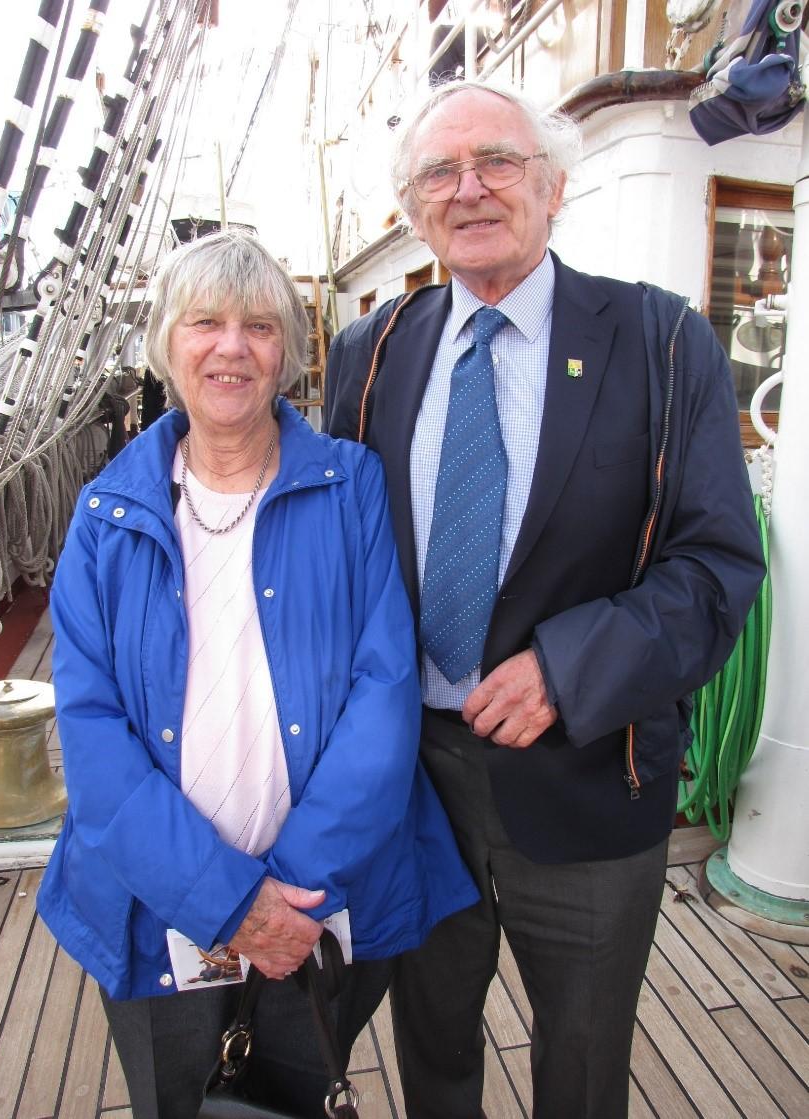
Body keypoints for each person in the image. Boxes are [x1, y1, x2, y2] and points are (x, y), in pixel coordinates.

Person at [324, 79, 766, 1119]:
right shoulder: (371, 352)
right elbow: (329, 551)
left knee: (579, 1067)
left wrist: (569, 669)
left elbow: (714, 569)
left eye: (498, 162)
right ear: (414, 206)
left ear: (554, 183)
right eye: (440, 171)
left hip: (588, 782)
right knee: (430, 1053)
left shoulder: (663, 345)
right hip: (412, 784)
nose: (470, 188)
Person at [37, 228, 478, 1119]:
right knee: (178, 1101)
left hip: (323, 901)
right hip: (151, 901)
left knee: (299, 1092)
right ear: (167, 344)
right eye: (205, 322)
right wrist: (231, 902)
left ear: (287, 352)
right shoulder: (104, 514)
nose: (231, 346)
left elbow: (382, 693)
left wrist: (290, 901)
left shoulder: (350, 487)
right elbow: (89, 734)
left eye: (259, 325)